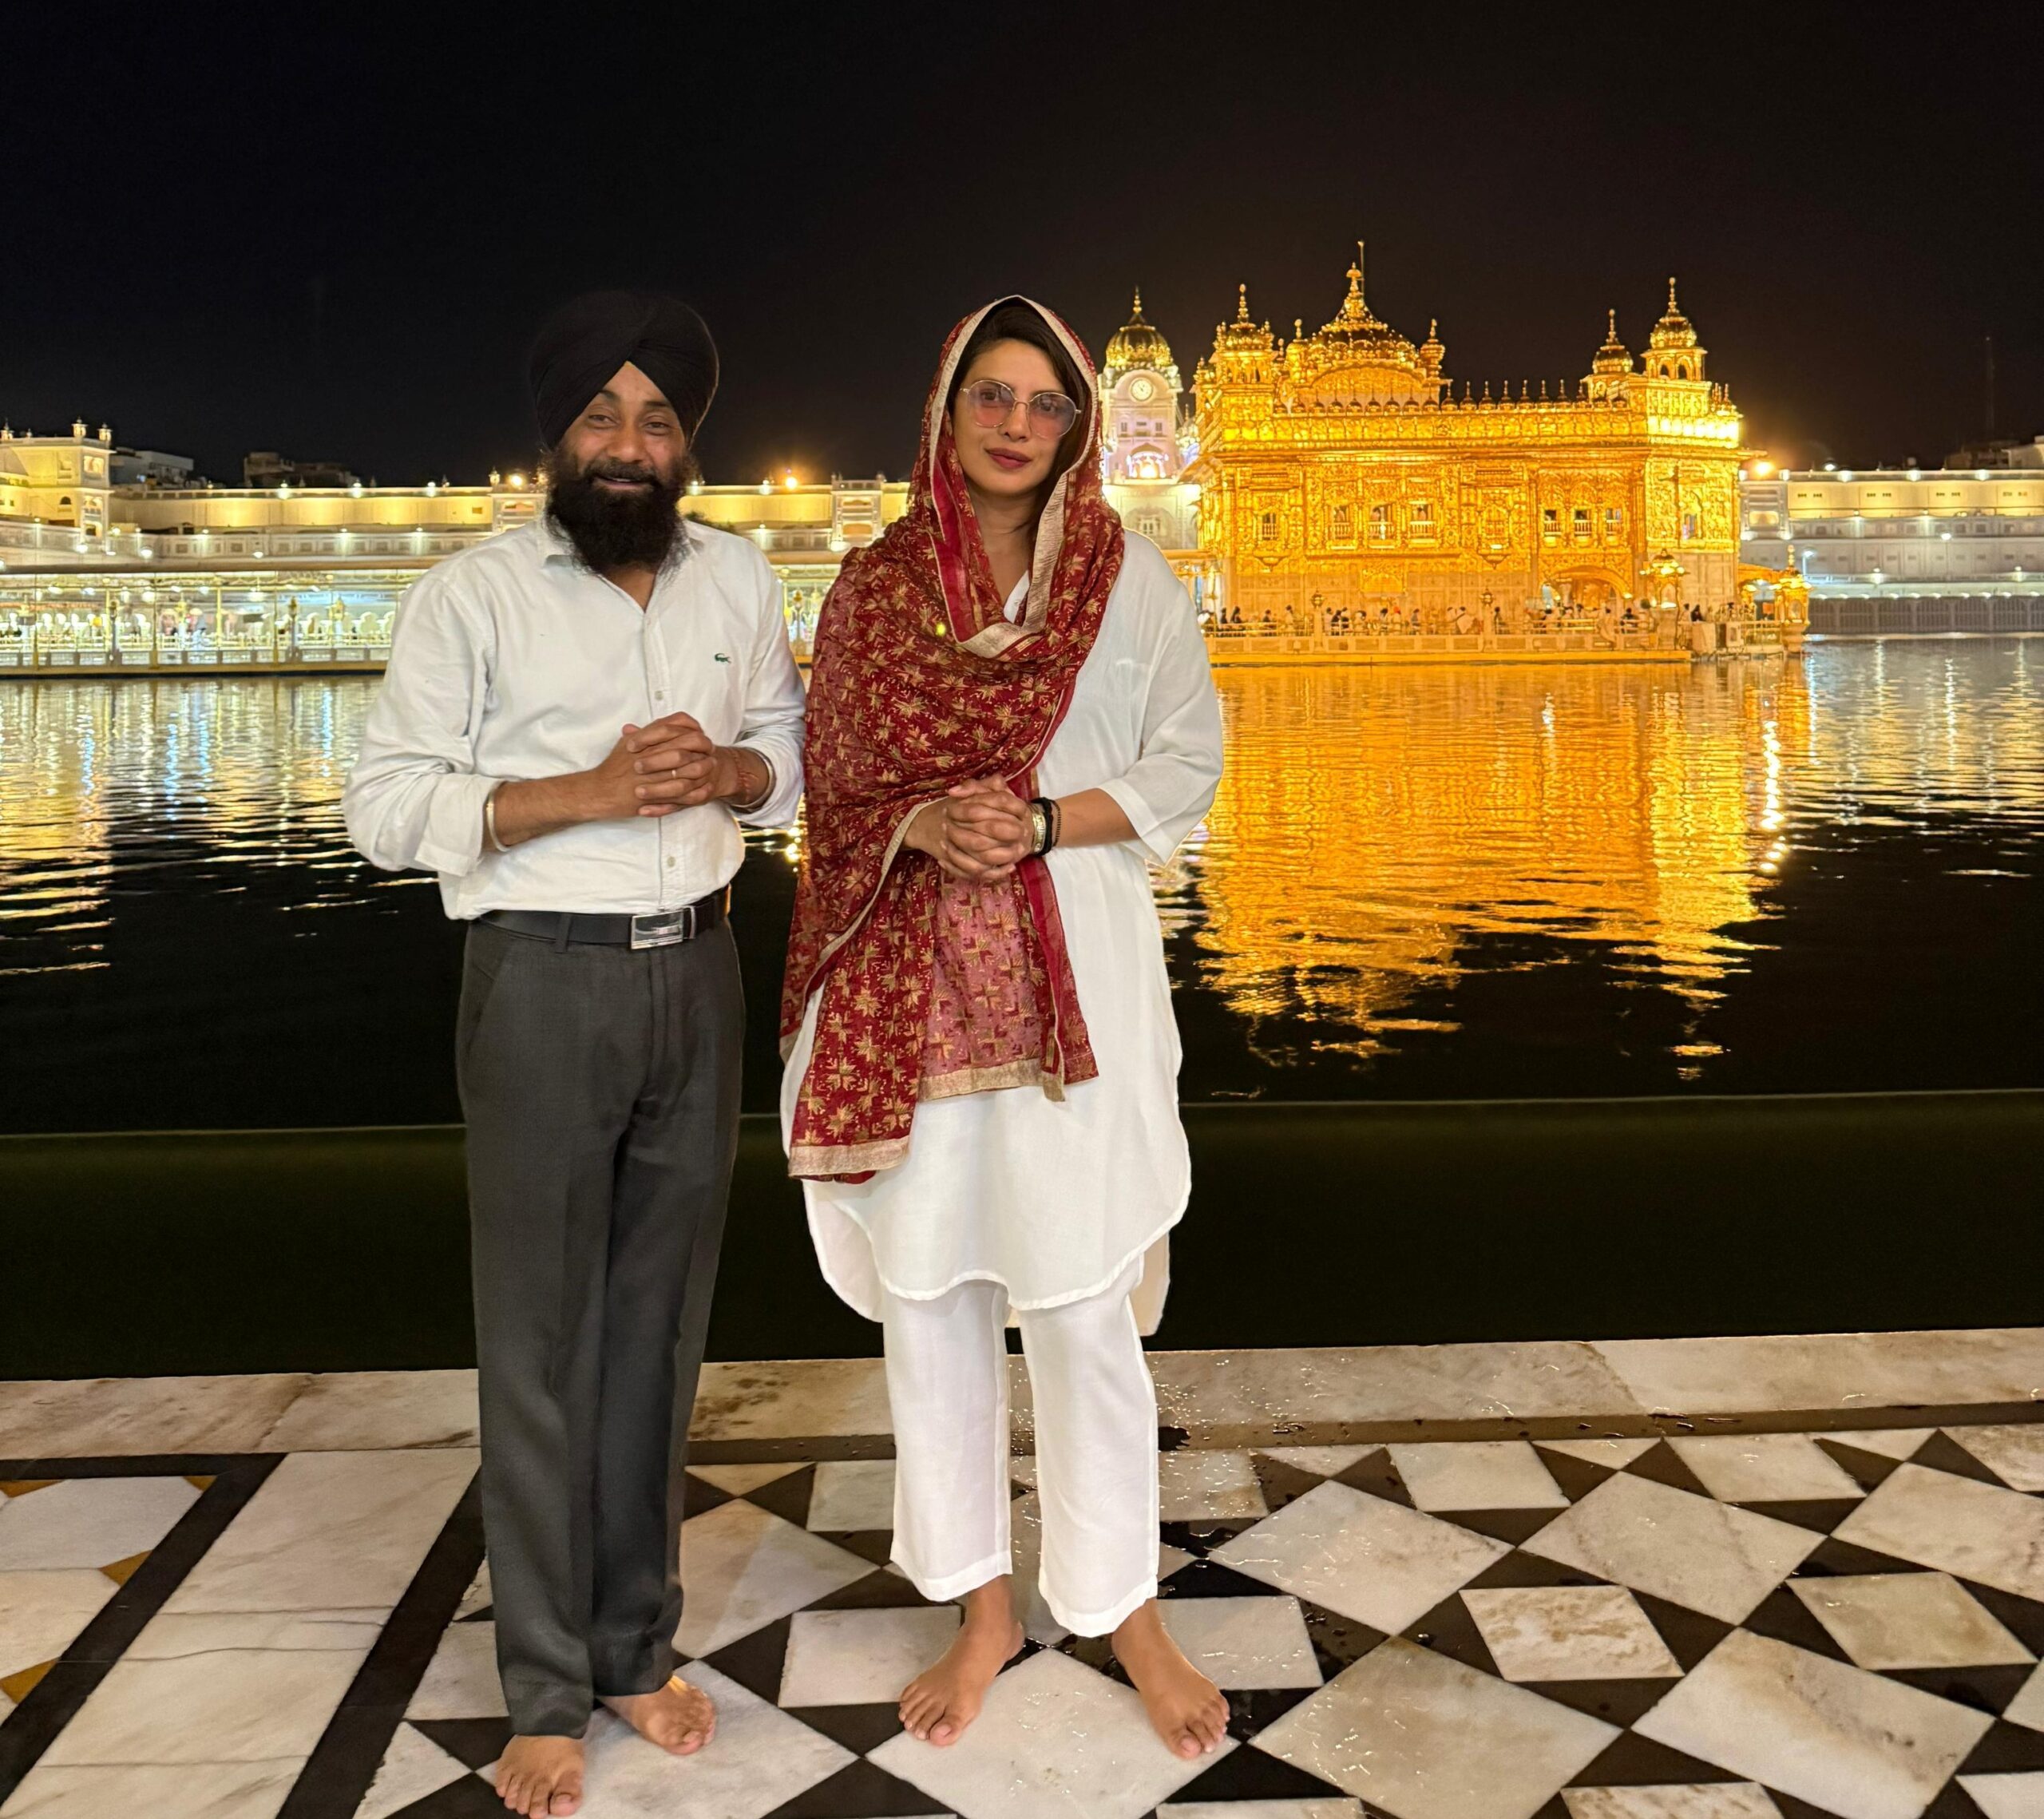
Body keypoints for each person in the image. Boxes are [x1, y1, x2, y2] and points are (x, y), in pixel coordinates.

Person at [343, 291, 806, 1818]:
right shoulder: (472, 596)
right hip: (540, 979)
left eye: (659, 420)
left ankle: (630, 1644)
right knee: (541, 1346)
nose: (630, 444)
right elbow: (387, 803)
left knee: (662, 1336)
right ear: (557, 439)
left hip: (699, 978)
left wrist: (733, 770)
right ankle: (544, 1684)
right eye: (604, 418)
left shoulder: (735, 575)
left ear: (689, 443)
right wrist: (583, 791)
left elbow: (789, 753)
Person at [779, 297, 1227, 1762]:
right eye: (995, 391)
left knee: (1086, 1303)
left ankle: (1122, 1603)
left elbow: (1190, 760)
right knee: (937, 1299)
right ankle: (981, 1607)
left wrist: (1037, 819)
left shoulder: (1128, 577)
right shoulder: (876, 586)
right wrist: (920, 814)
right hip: (908, 987)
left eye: (1046, 399)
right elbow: (829, 779)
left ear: (1082, 423)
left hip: (1072, 980)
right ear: (948, 406)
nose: (1019, 420)